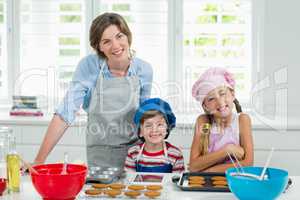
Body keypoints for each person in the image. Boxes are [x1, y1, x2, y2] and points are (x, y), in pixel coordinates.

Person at [34, 12, 153, 169]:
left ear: (127, 36)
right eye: (107, 41)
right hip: (100, 155)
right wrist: (39, 160)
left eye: (119, 36)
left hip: (135, 156)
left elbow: (144, 118)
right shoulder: (89, 67)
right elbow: (65, 112)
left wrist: (154, 157)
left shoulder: (144, 70)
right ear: (98, 46)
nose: (116, 46)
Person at [189, 67, 253, 172]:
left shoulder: (242, 120)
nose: (219, 102)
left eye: (222, 93)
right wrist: (227, 150)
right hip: (207, 185)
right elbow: (194, 166)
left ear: (232, 94)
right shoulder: (204, 122)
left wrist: (210, 170)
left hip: (234, 184)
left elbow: (248, 164)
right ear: (205, 106)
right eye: (211, 99)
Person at [124, 98, 185, 173]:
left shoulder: (175, 154)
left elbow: (177, 181)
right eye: (148, 125)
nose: (154, 130)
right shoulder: (133, 153)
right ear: (140, 132)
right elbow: (129, 181)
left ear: (167, 129)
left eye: (160, 124)